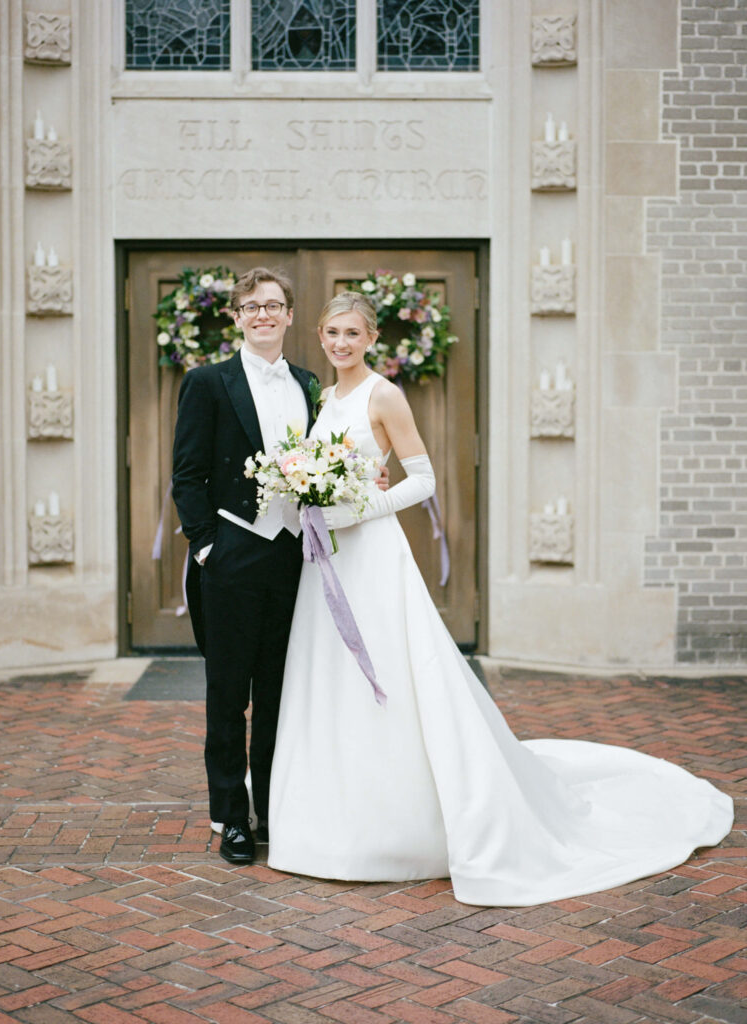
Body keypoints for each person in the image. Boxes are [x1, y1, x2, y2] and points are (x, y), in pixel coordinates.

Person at [266, 291, 734, 906]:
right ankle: (329, 818)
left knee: (394, 674)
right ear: (321, 337)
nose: (341, 343)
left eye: (352, 333)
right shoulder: (324, 398)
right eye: (332, 333)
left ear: (372, 338)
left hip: (373, 553)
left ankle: (405, 825)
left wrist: (360, 509)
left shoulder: (384, 395)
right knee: (329, 676)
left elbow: (424, 481)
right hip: (329, 561)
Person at [172, 268, 322, 865]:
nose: (264, 315)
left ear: (289, 316)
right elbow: (187, 476)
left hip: (293, 560)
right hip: (232, 555)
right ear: (236, 317)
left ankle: (275, 810)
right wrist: (209, 548)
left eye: (274, 305)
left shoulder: (310, 384)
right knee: (228, 693)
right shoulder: (208, 383)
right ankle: (233, 818)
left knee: (282, 692)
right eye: (252, 306)